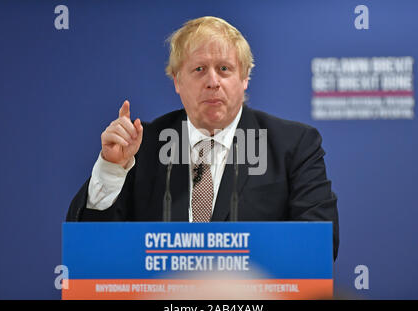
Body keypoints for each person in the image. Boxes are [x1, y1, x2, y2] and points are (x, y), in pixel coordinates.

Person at [66, 16, 339, 260]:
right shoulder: (142, 146)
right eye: (199, 69)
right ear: (176, 81)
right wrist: (112, 169)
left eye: (224, 69)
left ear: (244, 78)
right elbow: (92, 250)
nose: (212, 81)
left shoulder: (292, 145)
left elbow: (319, 246)